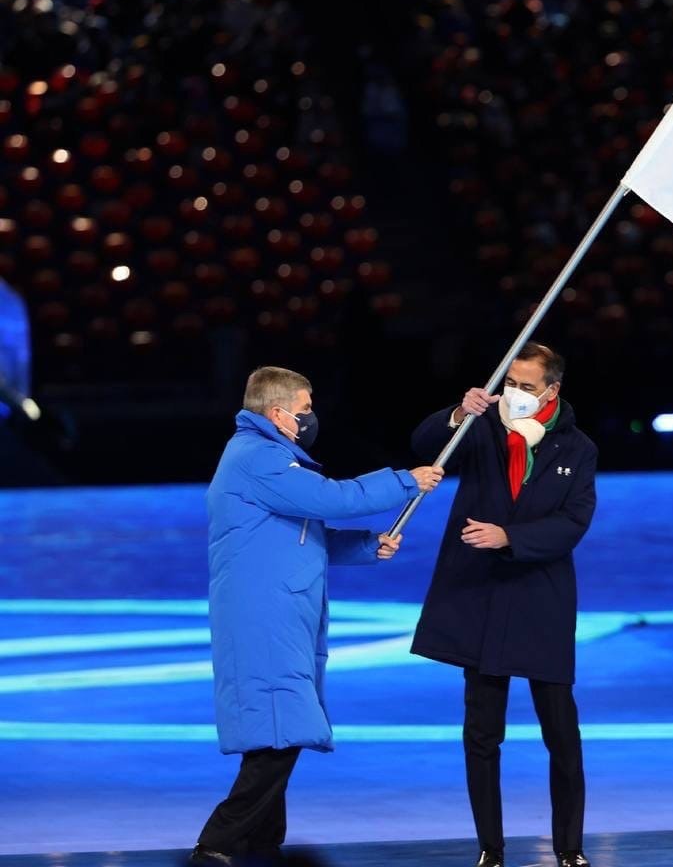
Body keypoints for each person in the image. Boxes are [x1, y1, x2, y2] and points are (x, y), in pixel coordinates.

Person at [192, 366, 444, 865]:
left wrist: (367, 546)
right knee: (282, 729)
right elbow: (331, 498)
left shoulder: (270, 459)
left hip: (278, 610)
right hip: (264, 614)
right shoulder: (258, 457)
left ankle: (262, 842)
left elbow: (304, 534)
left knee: (277, 729)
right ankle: (217, 842)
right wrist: (405, 481)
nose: (311, 417)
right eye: (304, 408)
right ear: (277, 413)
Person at [409, 342, 598, 867]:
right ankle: (490, 848)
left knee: (561, 732)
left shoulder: (578, 448)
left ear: (552, 390)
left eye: (527, 386)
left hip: (541, 598)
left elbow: (573, 522)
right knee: (482, 732)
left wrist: (510, 537)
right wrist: (457, 413)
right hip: (483, 596)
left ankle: (570, 848)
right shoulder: (482, 426)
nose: (515, 394)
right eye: (510, 383)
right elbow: (424, 444)